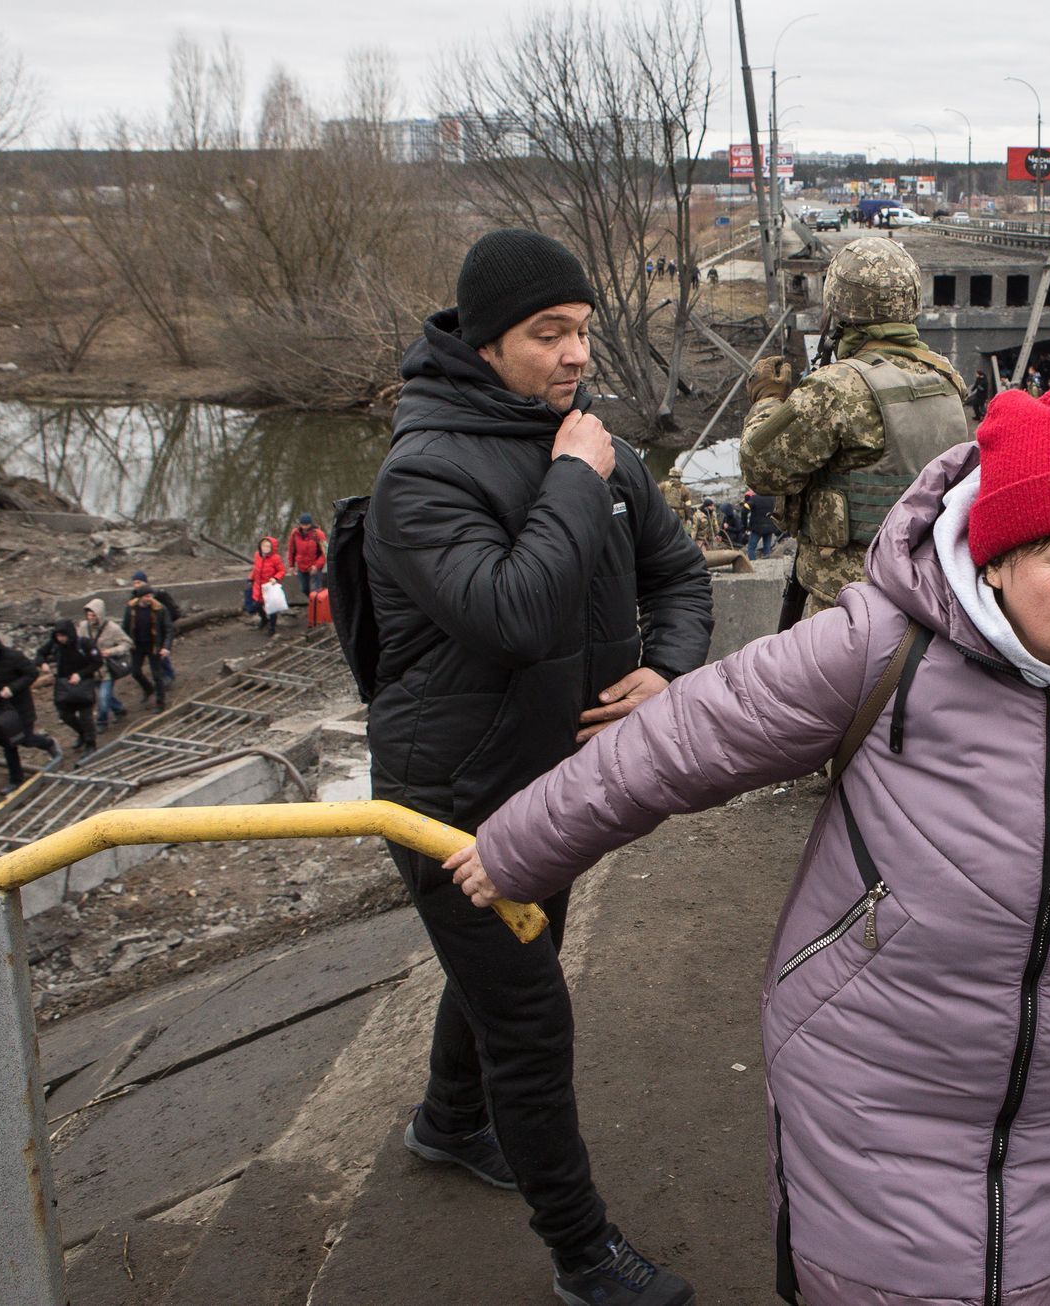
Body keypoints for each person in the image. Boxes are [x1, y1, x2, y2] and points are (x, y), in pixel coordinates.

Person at [450, 385, 1050, 1306]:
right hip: (877, 1077)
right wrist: (515, 847)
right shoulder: (882, 642)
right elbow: (681, 741)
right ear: (994, 562)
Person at [362, 227, 712, 1305]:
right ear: (482, 342)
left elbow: (682, 574)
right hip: (453, 800)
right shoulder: (421, 473)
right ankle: (582, 1255)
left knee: (513, 961)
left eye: (582, 334)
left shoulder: (595, 448)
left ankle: (447, 1121)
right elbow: (515, 615)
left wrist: (666, 670)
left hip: (554, 784)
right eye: (547, 334)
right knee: (531, 1015)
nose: (574, 357)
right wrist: (573, 474)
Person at [741, 236, 968, 619]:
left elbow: (761, 468)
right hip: (923, 585)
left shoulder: (838, 387)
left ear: (842, 307)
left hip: (844, 600)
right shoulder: (945, 378)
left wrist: (767, 397)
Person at [0, 629, 61, 788]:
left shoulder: (13, 656)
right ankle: (15, 780)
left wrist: (12, 688)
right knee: (8, 744)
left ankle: (47, 743)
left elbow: (32, 674)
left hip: (20, 706)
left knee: (26, 739)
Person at [35, 618, 104, 755]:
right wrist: (42, 663)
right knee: (65, 715)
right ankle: (82, 733)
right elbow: (40, 653)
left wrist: (80, 674)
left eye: (63, 636)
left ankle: (91, 743)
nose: (61, 639)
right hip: (63, 686)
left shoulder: (84, 644)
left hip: (83, 684)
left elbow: (97, 662)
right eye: (58, 636)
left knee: (86, 717)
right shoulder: (55, 644)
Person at [82, 597, 131, 730]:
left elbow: (127, 643)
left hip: (106, 669)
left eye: (93, 615)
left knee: (103, 698)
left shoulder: (112, 628)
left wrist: (112, 651)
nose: (90, 617)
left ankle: (101, 722)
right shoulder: (83, 627)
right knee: (105, 695)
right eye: (88, 614)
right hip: (91, 669)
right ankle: (119, 709)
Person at [124, 583, 173, 710]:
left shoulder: (160, 609)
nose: (149, 598)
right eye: (146, 596)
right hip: (137, 646)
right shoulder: (131, 608)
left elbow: (168, 629)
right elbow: (125, 627)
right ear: (140, 597)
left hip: (154, 646)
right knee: (135, 672)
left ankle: (160, 703)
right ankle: (148, 688)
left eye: (150, 596)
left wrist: (166, 647)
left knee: (157, 675)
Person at [128, 570, 180, 689]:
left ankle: (168, 676)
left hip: (158, 631)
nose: (137, 585)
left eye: (139, 582)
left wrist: (162, 623)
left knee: (161, 655)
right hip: (144, 634)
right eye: (134, 583)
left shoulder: (158, 595)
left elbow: (171, 611)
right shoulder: (134, 598)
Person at [247, 535, 288, 637]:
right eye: (263, 546)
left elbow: (282, 570)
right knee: (257, 605)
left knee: (272, 608)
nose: (265, 548)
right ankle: (264, 619)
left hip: (269, 587)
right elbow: (255, 568)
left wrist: (275, 578)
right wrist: (251, 578)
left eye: (267, 546)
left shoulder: (275, 558)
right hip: (258, 586)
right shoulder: (257, 555)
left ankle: (272, 627)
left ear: (272, 548)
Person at [286, 512, 329, 598]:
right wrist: (291, 565)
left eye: (307, 525)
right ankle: (311, 602)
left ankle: (316, 607)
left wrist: (317, 566)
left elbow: (325, 553)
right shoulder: (295, 534)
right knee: (304, 588)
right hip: (301, 566)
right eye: (303, 525)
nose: (305, 527)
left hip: (315, 566)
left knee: (316, 591)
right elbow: (292, 550)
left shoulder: (318, 534)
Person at [742, 490, 778, 560]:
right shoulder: (773, 498)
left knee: (751, 547)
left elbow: (744, 511)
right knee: (767, 547)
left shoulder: (755, 498)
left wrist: (745, 526)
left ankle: (753, 564)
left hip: (757, 528)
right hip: (770, 526)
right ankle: (767, 564)